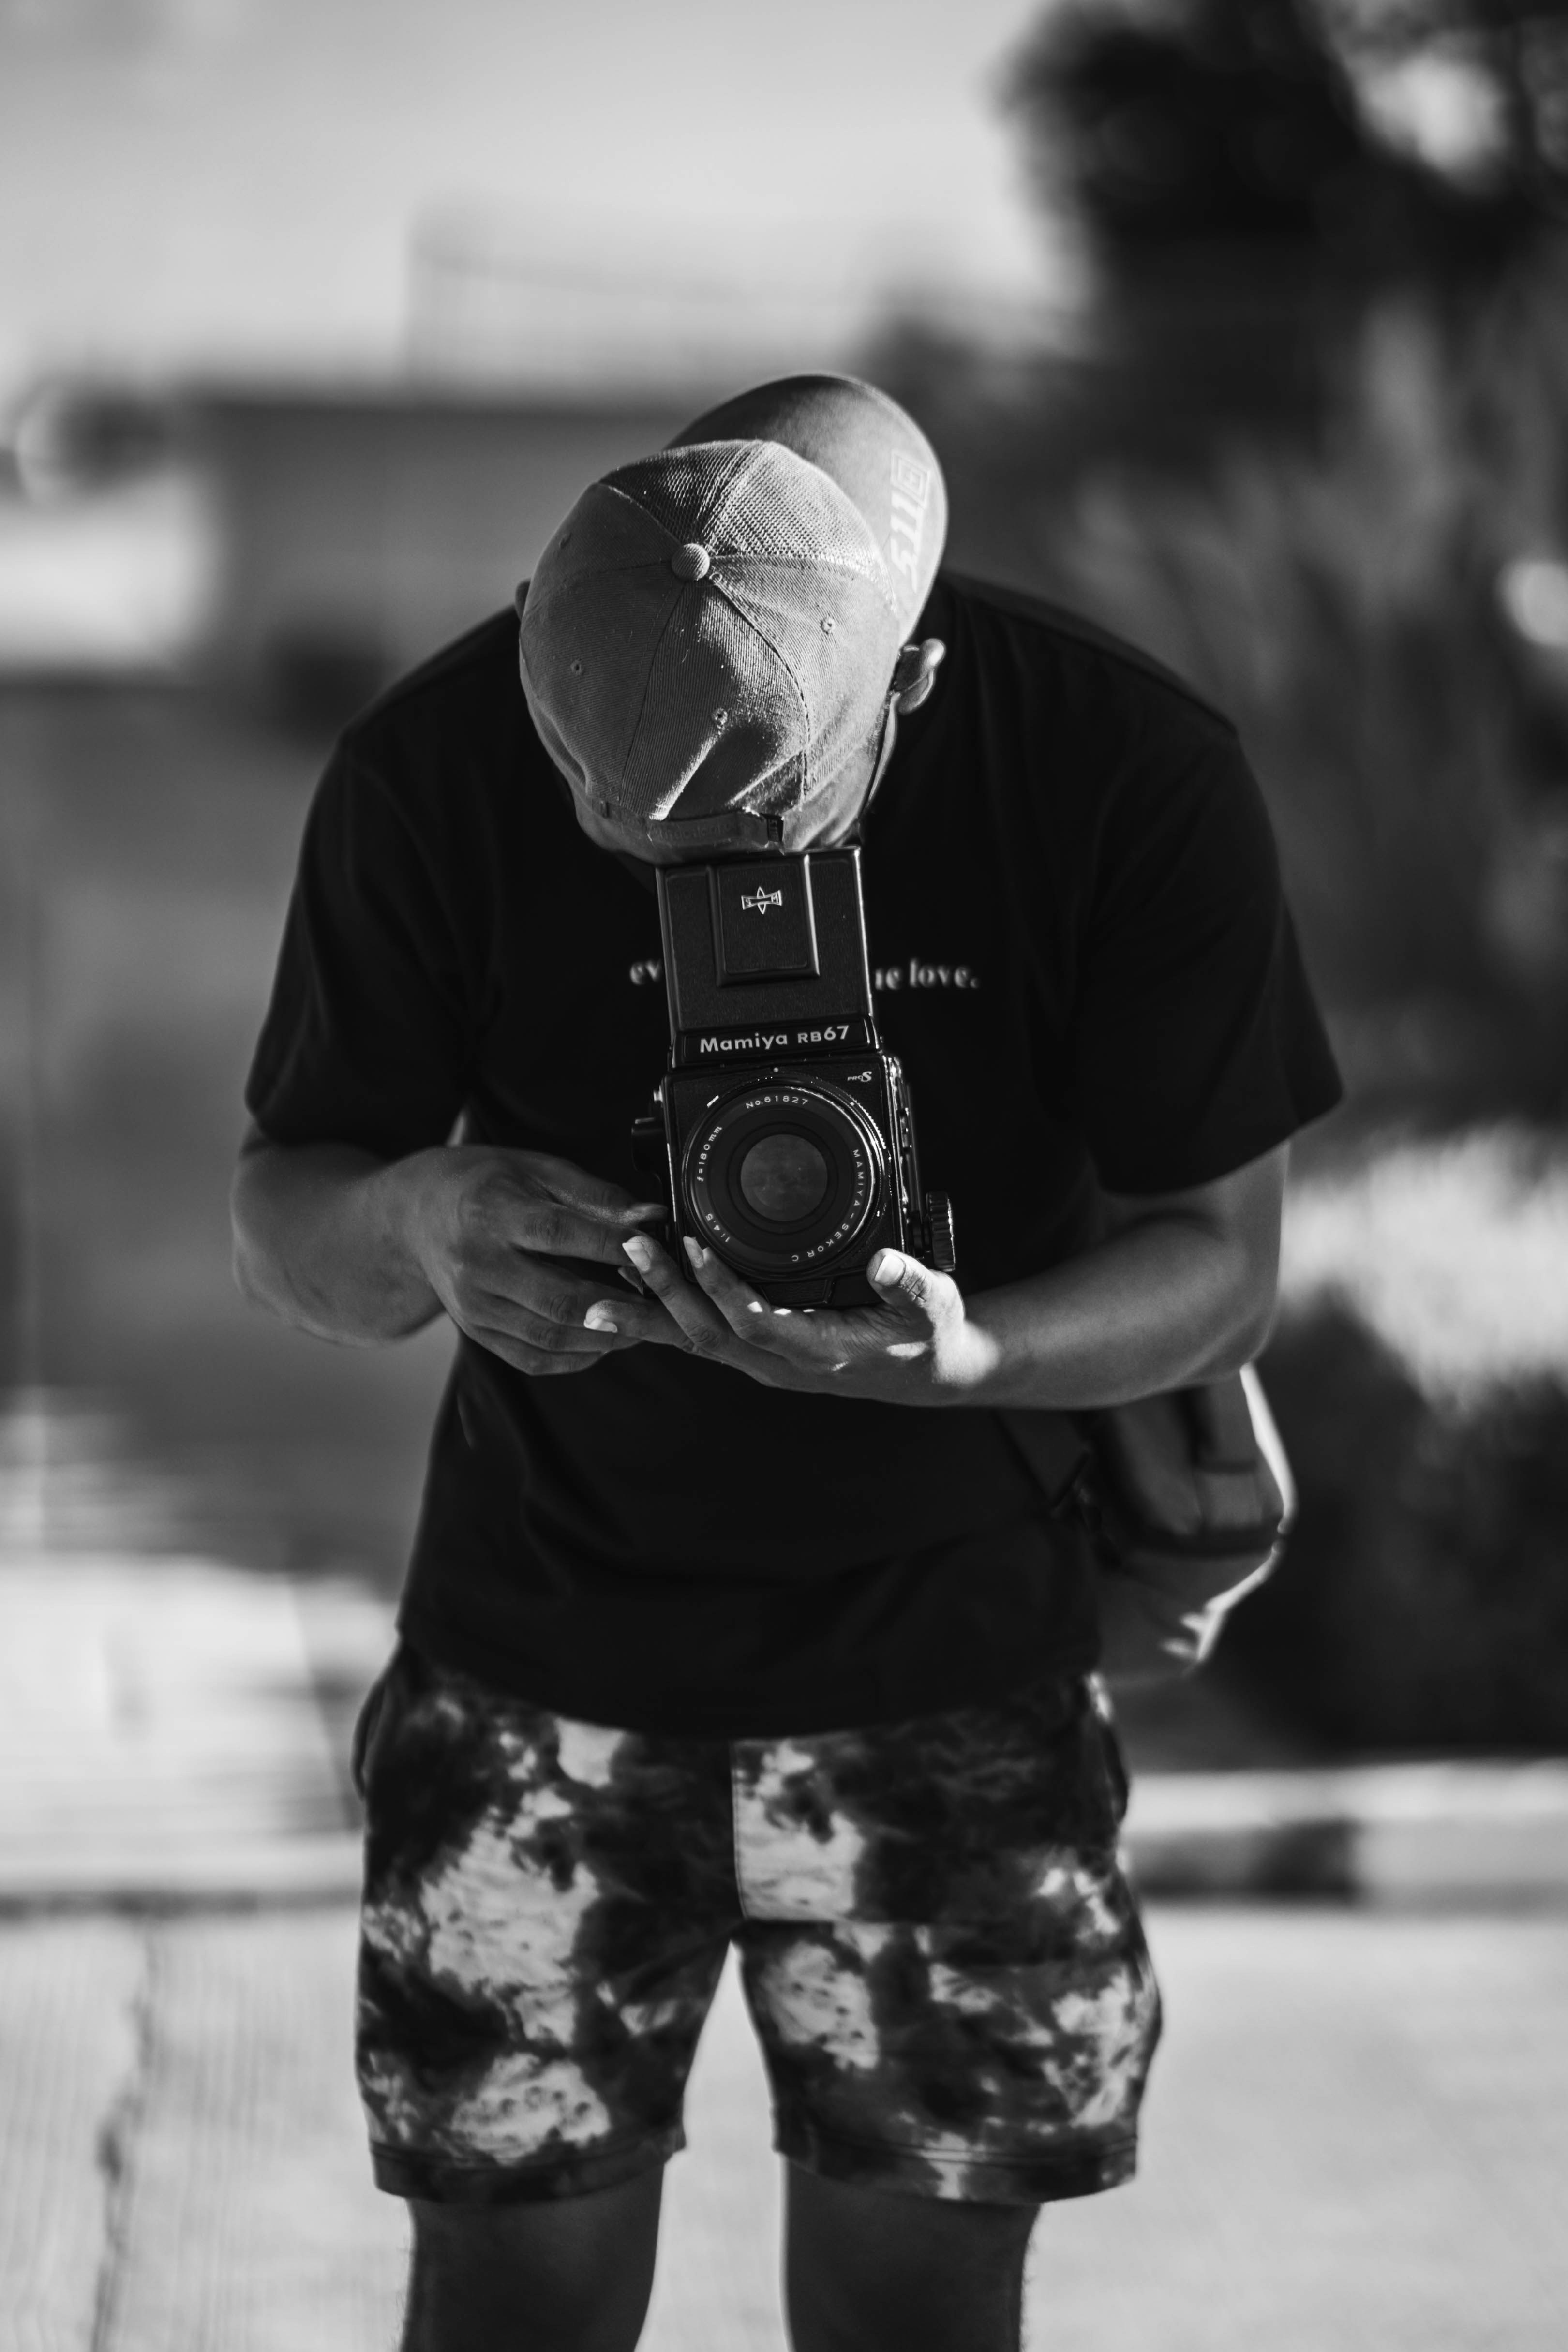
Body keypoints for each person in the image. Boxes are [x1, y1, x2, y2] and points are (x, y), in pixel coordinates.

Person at [232, 374, 1341, 2352]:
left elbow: (1219, 1265)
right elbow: (286, 1209)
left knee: (921, 2301)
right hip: (537, 1654)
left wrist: (966, 1356)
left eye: (753, 826)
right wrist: (422, 1221)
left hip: (957, 1657)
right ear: (529, 646)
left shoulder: (1116, 771)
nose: (687, 887)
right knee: (507, 2293)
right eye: (618, 830)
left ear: (908, 684)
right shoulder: (429, 767)